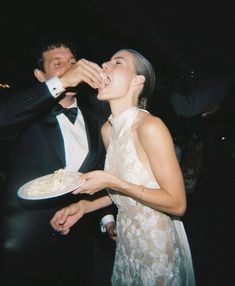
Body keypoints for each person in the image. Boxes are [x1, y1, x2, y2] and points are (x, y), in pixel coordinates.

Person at [51, 49, 195, 285]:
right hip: (127, 239)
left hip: (155, 244)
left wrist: (112, 181)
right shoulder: (108, 130)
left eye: (117, 62)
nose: (105, 65)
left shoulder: (150, 127)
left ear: (138, 81)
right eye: (106, 60)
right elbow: (126, 188)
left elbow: (177, 203)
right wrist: (84, 207)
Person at [0, 36, 116, 286]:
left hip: (78, 238)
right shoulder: (25, 116)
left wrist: (107, 218)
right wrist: (62, 82)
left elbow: (100, 172)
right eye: (58, 64)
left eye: (72, 61)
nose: (70, 67)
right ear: (40, 76)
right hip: (25, 239)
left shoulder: (97, 121)